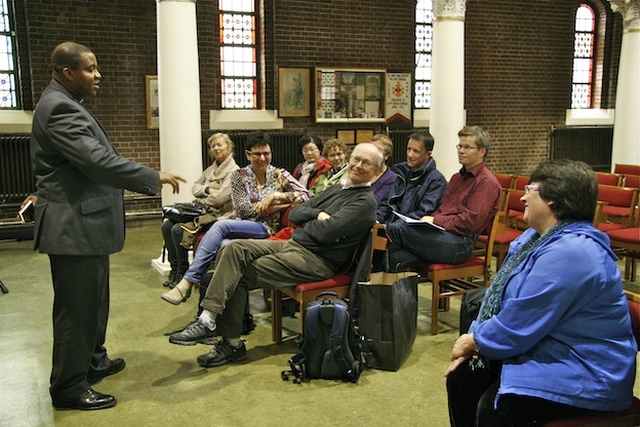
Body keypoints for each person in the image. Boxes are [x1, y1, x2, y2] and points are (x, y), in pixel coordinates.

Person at [31, 42, 185, 411]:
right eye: (90, 68)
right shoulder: (59, 108)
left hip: (84, 225)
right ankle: (68, 386)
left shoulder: (66, 102)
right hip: (73, 227)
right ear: (69, 72)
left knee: (94, 303)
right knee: (76, 310)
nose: (98, 75)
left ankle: (92, 361)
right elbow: (98, 162)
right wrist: (152, 176)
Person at [445, 159, 637, 427]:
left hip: (585, 370)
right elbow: (500, 300)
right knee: (464, 378)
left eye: (530, 189)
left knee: (494, 409)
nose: (522, 196)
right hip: (548, 344)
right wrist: (476, 338)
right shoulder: (535, 238)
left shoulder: (573, 252)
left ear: (554, 200)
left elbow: (522, 320)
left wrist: (475, 340)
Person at [167, 143, 383, 365]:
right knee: (233, 248)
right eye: (356, 159)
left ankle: (228, 341)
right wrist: (318, 214)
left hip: (316, 261)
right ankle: (208, 319)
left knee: (238, 272)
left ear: (376, 170)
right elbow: (297, 213)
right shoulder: (339, 188)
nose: (358, 165)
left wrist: (313, 221)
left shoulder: (364, 203)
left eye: (366, 163)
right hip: (295, 244)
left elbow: (326, 233)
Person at [161, 131, 310, 306]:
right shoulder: (238, 176)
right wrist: (274, 206)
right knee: (224, 246)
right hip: (242, 223)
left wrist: (274, 197)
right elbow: (244, 210)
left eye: (266, 153)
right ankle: (222, 310)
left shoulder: (279, 174)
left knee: (220, 226)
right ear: (248, 155)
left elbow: (307, 195)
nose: (262, 158)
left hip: (267, 228)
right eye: (257, 154)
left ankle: (187, 282)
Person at [386, 125, 502, 270]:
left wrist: (435, 220)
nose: (461, 151)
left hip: (461, 243)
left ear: (482, 151)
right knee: (395, 258)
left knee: (396, 229)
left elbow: (470, 222)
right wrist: (430, 222)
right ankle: (375, 289)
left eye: (467, 147)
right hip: (441, 234)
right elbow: (442, 208)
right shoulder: (456, 178)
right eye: (459, 146)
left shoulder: (486, 182)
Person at [160, 132, 239, 288]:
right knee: (166, 225)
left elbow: (220, 199)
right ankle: (175, 269)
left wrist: (205, 194)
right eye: (213, 146)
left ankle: (183, 272)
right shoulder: (211, 169)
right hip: (204, 211)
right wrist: (210, 189)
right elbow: (195, 188)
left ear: (229, 147)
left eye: (220, 144)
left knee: (177, 229)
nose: (216, 148)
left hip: (221, 216)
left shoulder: (234, 171)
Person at [377, 130, 447, 224]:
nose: (410, 155)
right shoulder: (401, 173)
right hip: (390, 226)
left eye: (416, 151)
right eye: (408, 149)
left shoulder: (437, 181)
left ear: (428, 154)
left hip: (411, 230)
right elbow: (387, 203)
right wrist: (376, 220)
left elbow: (423, 213)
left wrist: (394, 226)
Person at [369, 133, 398, 205]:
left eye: (378, 150)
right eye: (371, 148)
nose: (373, 152)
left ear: (387, 155)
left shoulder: (391, 178)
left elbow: (376, 201)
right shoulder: (363, 171)